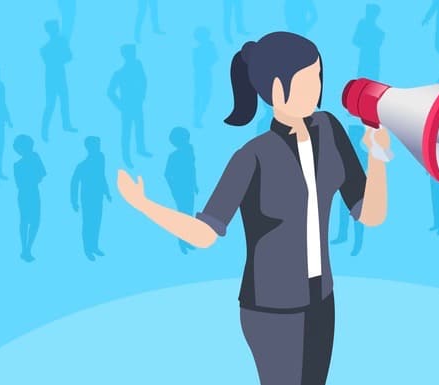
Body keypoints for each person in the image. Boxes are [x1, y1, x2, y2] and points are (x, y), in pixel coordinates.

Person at [116, 32, 389, 385]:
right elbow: (204, 233)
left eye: (318, 77)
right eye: (307, 81)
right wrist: (144, 204)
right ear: (278, 89)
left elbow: (370, 213)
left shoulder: (331, 130)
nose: (317, 90)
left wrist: (378, 158)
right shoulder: (251, 157)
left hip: (322, 302)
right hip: (271, 310)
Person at [108, 44, 150, 167]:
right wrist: (120, 105)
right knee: (126, 131)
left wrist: (142, 95)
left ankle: (140, 149)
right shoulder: (119, 73)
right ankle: (126, 157)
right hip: (127, 106)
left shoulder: (138, 66)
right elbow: (110, 92)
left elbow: (144, 81)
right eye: (131, 53)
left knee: (139, 127)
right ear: (125, 55)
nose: (133, 55)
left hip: (137, 103)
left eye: (134, 52)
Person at [71, 136, 112, 261]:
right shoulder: (82, 166)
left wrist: (107, 192)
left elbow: (102, 175)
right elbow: (74, 182)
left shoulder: (101, 157)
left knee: (97, 222)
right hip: (87, 198)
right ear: (89, 147)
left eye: (99, 145)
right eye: (95, 146)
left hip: (98, 196)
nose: (98, 148)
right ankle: (87, 249)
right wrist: (74, 201)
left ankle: (94, 246)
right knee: (88, 223)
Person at [331, 125, 368, 256]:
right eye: (350, 134)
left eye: (354, 134)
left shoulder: (364, 154)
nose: (351, 136)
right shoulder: (343, 151)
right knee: (343, 215)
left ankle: (357, 244)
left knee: (359, 218)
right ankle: (342, 236)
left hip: (361, 189)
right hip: (344, 188)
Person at [40, 20, 76, 142]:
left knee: (63, 102)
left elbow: (69, 56)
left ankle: (66, 125)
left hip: (57, 77)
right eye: (55, 28)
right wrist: (61, 56)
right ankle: (44, 131)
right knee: (51, 104)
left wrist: (60, 56)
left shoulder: (47, 48)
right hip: (54, 77)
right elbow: (67, 57)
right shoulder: (46, 48)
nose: (57, 30)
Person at [165, 127, 199, 254]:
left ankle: (187, 240)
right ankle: (182, 243)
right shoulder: (174, 156)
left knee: (188, 215)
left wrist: (194, 184)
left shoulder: (189, 151)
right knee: (182, 215)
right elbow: (167, 174)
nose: (187, 141)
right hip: (180, 189)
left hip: (189, 188)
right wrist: (174, 189)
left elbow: (192, 169)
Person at [14, 135, 46, 262]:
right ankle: (25, 249)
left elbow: (41, 174)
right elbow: (41, 175)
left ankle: (26, 249)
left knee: (29, 221)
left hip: (28, 193)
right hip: (30, 193)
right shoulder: (22, 163)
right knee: (29, 221)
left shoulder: (21, 163)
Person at [193, 29, 218, 129]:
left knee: (205, 96)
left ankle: (198, 117)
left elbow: (215, 58)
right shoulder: (197, 49)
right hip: (201, 74)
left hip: (205, 73)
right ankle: (197, 118)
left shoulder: (208, 47)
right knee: (202, 96)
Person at [353, 4, 384, 79]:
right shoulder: (363, 24)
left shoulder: (379, 32)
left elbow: (356, 41)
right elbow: (355, 41)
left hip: (373, 59)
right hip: (365, 58)